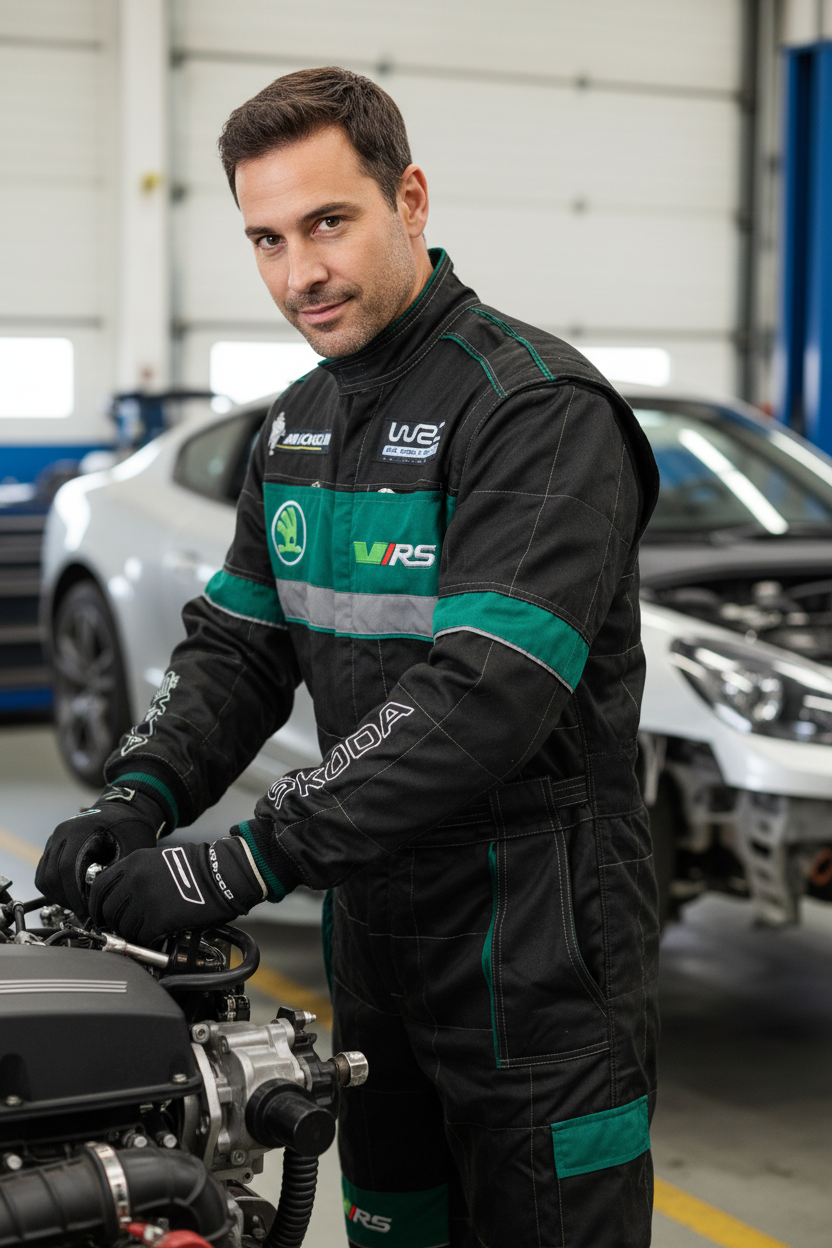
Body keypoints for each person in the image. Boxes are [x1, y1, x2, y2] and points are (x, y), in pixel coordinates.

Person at [38, 66, 660, 1248]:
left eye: (328, 222)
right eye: (266, 239)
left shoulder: (535, 410)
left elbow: (483, 692)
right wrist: (139, 790)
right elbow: (236, 650)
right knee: (391, 1230)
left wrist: (249, 856)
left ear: (409, 200)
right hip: (375, 946)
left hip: (540, 957)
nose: (299, 274)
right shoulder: (296, 425)